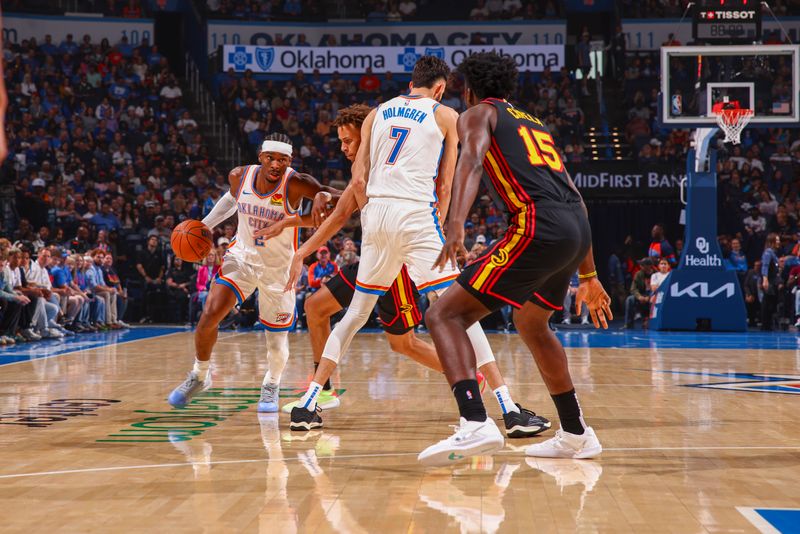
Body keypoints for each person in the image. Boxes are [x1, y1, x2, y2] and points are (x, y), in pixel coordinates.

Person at [279, 56, 546, 437]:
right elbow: (447, 182)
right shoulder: (445, 114)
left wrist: (374, 215)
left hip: (377, 214)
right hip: (415, 216)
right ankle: (508, 407)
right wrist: (442, 224)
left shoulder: (377, 113)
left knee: (355, 314)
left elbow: (358, 180)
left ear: (411, 82)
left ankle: (308, 406)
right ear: (440, 87)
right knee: (460, 310)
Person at [417, 51, 612, 465]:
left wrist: (456, 223)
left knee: (444, 316)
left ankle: (475, 421)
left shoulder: (476, 114)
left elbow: (470, 160)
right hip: (575, 227)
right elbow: (577, 198)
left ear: (469, 88)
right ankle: (576, 434)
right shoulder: (532, 122)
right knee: (531, 320)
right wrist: (589, 274)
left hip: (537, 225)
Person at [167, 133, 339, 413]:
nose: (275, 164)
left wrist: (322, 195)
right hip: (242, 258)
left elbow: (331, 197)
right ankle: (200, 375)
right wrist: (205, 225)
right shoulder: (239, 176)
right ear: (260, 157)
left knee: (275, 341)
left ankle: (271, 383)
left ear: (289, 162)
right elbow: (231, 199)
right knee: (210, 312)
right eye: (270, 158)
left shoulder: (296, 183)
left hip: (279, 270)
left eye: (282, 160)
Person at [624, 258, 655, 329]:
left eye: (642, 265)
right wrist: (639, 297)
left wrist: (650, 297)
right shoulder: (639, 274)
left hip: (653, 296)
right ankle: (628, 324)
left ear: (649, 266)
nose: (640, 266)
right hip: (641, 295)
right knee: (630, 299)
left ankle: (650, 322)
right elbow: (633, 288)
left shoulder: (656, 274)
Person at [760, 233, 781, 331]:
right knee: (767, 303)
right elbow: (765, 266)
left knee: (771, 302)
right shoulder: (768, 252)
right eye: (777, 240)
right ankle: (765, 325)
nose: (778, 242)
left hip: (773, 282)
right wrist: (765, 279)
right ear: (771, 241)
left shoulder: (773, 252)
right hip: (769, 281)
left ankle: (768, 324)